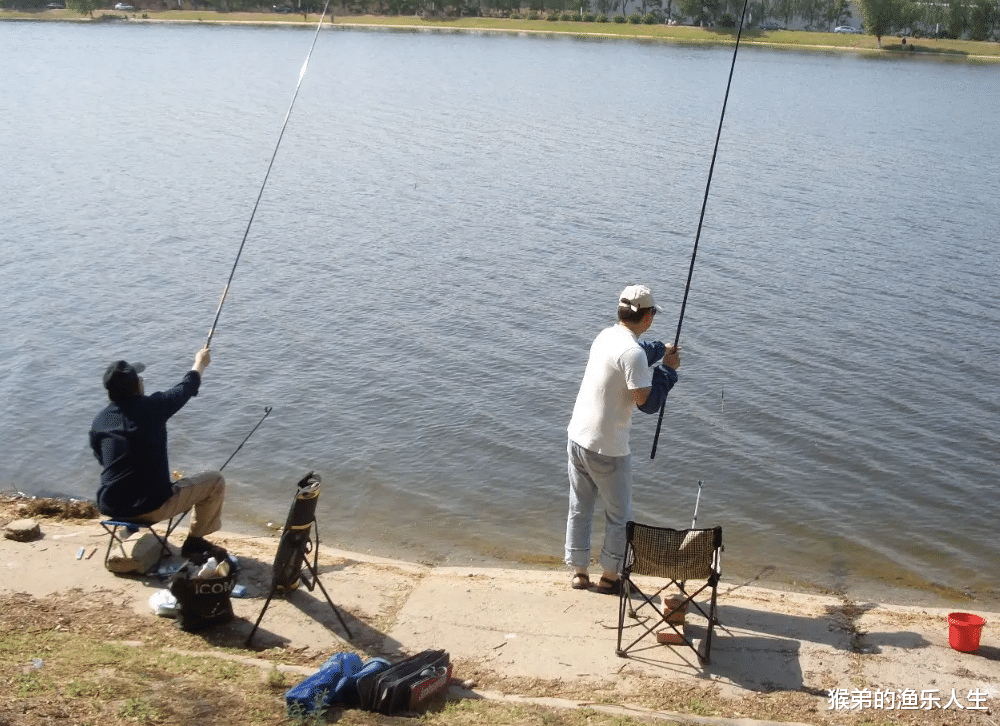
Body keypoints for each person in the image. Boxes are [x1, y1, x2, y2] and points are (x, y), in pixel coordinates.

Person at [564, 284, 680, 594]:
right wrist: (668, 371)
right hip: (608, 449)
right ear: (647, 317)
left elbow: (640, 353)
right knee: (619, 514)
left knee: (580, 507)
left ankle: (579, 573)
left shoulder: (606, 336)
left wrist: (661, 349)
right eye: (652, 313)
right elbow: (648, 403)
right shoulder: (632, 354)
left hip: (577, 438)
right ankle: (610, 577)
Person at [90, 346, 227, 559]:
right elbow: (185, 388)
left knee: (128, 474)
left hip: (112, 506)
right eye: (140, 379)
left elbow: (106, 461)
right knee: (215, 480)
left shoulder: (100, 422)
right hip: (151, 507)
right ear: (138, 386)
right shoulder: (153, 407)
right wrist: (200, 362)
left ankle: (130, 529)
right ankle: (194, 542)